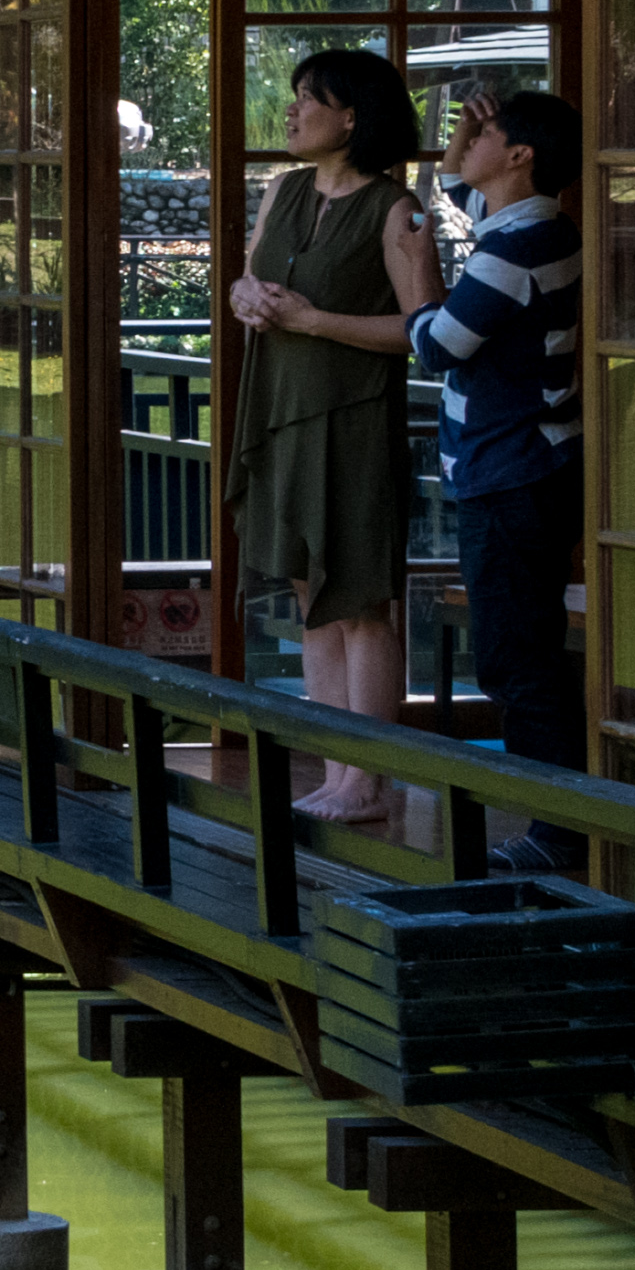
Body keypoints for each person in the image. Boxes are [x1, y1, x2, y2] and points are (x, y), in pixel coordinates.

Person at [221, 44, 437, 823]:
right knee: (310, 592)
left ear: (351, 117)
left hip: (350, 417)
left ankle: (370, 780)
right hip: (277, 406)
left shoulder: (396, 208)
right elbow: (251, 274)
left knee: (359, 600)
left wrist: (313, 321)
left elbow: (425, 329)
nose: (291, 110)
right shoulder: (281, 191)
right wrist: (248, 297)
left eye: (308, 98)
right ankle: (336, 771)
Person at [417, 86, 589, 809]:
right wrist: (466, 125)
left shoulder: (514, 249)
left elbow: (439, 345)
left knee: (519, 660)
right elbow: (456, 179)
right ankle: (558, 815)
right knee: (525, 652)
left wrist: (412, 276)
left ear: (519, 156)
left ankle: (558, 824)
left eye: (488, 135)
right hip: (530, 463)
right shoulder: (534, 227)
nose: (469, 146)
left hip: (512, 468)